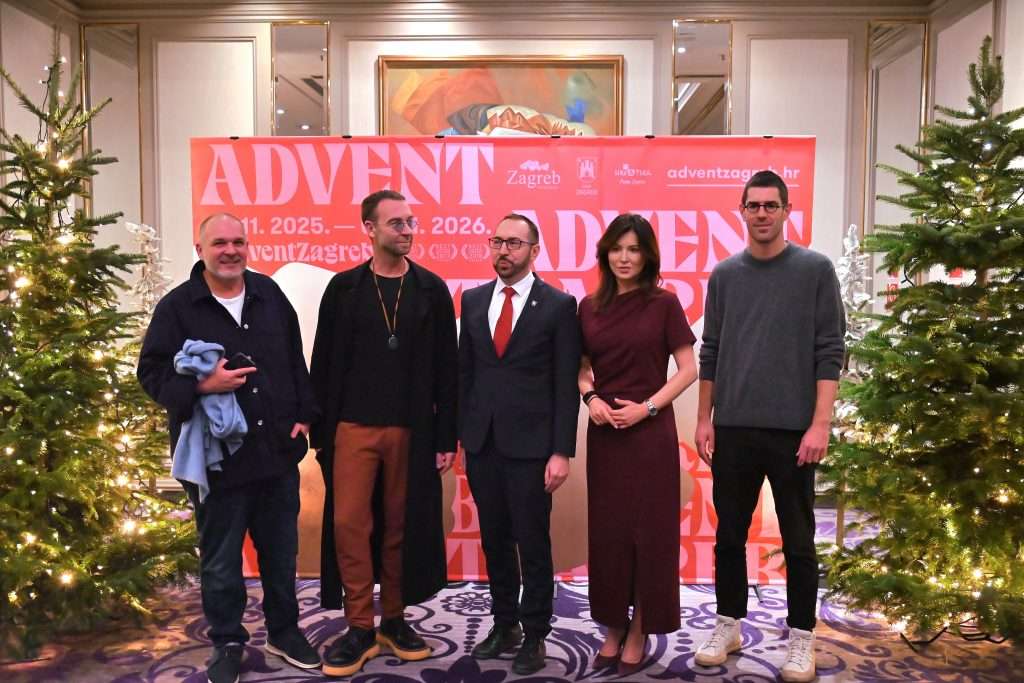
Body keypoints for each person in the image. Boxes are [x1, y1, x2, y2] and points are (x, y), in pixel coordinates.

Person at [138, 213, 321, 683]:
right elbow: (151, 374)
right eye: (219, 242)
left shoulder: (269, 294)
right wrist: (202, 385)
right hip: (216, 461)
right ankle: (227, 642)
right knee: (220, 562)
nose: (231, 250)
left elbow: (294, 358)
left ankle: (284, 632)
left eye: (239, 241)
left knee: (280, 555)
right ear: (200, 249)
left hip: (276, 452)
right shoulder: (177, 307)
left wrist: (304, 414)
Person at [693, 170, 845, 682]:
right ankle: (728, 624)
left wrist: (820, 424)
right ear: (742, 211)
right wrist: (704, 418)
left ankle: (802, 635)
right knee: (729, 536)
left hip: (793, 432)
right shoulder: (724, 275)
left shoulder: (815, 270)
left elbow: (830, 351)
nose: (761, 213)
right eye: (753, 205)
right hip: (734, 428)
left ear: (785, 211)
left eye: (770, 205)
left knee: (799, 539)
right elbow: (711, 350)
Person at [310, 190, 458, 678]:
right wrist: (319, 432)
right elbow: (323, 362)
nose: (407, 230)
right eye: (396, 223)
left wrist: (446, 437)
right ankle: (359, 626)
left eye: (411, 222)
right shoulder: (344, 289)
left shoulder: (431, 290)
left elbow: (448, 370)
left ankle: (393, 619)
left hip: (413, 431)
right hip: (351, 428)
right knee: (350, 524)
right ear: (369, 229)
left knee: (401, 526)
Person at [458, 214, 582, 675]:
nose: (503, 251)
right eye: (497, 242)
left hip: (533, 447)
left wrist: (561, 451)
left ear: (534, 250)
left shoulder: (558, 306)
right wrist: (460, 436)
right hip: (483, 443)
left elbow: (565, 384)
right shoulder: (473, 301)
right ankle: (504, 623)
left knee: (532, 543)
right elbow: (465, 374)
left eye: (513, 243)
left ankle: (535, 633)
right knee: (494, 541)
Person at [577, 213, 698, 676]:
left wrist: (646, 408)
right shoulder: (588, 307)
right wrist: (590, 398)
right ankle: (613, 625)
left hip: (650, 435)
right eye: (617, 249)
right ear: (605, 254)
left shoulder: (664, 304)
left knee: (650, 535)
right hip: (606, 436)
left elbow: (688, 369)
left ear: (648, 256)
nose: (624, 258)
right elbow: (581, 368)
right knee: (608, 535)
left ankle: (641, 627)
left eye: (634, 249)